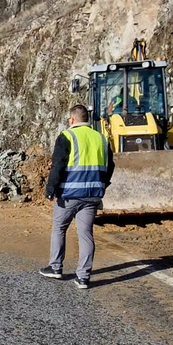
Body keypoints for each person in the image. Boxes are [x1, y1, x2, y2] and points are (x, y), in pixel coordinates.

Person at [39, 104, 114, 289]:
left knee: (59, 228)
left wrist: (50, 189)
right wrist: (102, 185)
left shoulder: (67, 136)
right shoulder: (102, 138)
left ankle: (55, 267)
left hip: (69, 195)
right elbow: (110, 166)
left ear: (72, 120)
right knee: (86, 234)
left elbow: (58, 165)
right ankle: (83, 278)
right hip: (92, 195)